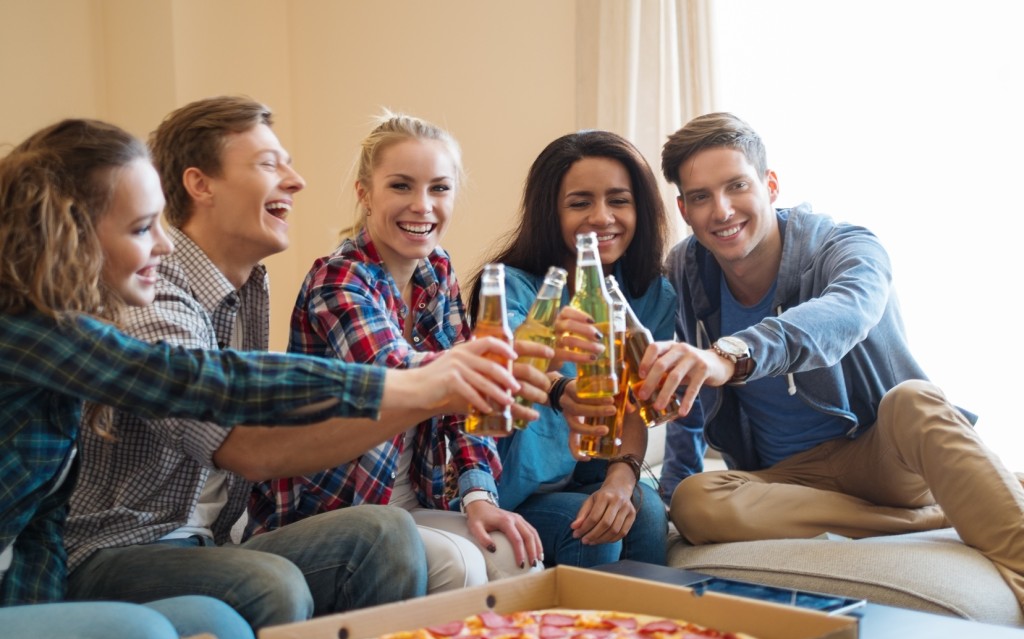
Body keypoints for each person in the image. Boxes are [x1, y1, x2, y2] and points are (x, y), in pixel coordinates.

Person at [0, 117, 516, 639]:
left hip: (182, 544)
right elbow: (207, 383)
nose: (163, 243)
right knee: (157, 629)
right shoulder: (31, 333)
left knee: (220, 624)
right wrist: (412, 384)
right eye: (142, 227)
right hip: (119, 549)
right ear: (75, 235)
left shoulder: (225, 294)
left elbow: (40, 526)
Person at [639, 111, 1024, 609]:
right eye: (700, 197)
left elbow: (848, 311)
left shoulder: (845, 246)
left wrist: (732, 355)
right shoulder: (686, 269)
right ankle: (928, 515)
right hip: (790, 478)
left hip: (880, 454)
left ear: (770, 185)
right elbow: (686, 393)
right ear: (684, 209)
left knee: (914, 400)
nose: (722, 210)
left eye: (736, 186)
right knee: (695, 501)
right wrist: (673, 488)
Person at [247, 111, 548, 592]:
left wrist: (479, 498)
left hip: (408, 499)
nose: (423, 206)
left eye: (440, 188)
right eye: (402, 186)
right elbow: (395, 376)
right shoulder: (338, 280)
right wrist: (487, 365)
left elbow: (464, 413)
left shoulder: (438, 272)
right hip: (332, 512)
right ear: (365, 193)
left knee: (519, 559)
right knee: (461, 567)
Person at [468, 130, 699, 568]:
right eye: (579, 203)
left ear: (641, 210)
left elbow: (633, 403)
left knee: (646, 513)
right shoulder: (510, 286)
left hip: (580, 469)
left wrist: (620, 477)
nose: (602, 217)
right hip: (506, 486)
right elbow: (517, 367)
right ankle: (584, 637)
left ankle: (649, 636)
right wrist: (556, 371)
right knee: (589, 528)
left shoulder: (651, 294)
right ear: (550, 213)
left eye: (618, 200)